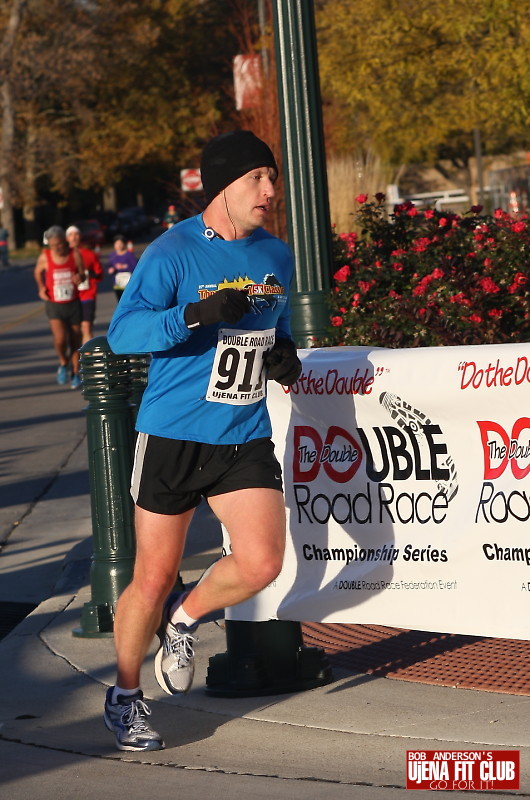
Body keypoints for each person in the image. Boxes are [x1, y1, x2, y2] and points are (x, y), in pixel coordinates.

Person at [104, 130, 302, 752]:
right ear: (222, 186)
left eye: (272, 178)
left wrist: (284, 354)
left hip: (243, 432)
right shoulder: (172, 252)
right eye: (256, 178)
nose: (269, 191)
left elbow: (277, 327)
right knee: (153, 576)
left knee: (262, 563)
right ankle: (125, 696)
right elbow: (123, 334)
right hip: (173, 434)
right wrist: (195, 315)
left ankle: (184, 619)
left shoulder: (276, 254)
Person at [33, 225, 86, 389]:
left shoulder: (74, 254)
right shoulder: (45, 256)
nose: (56, 248)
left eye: (58, 244)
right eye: (52, 245)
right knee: (60, 339)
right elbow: (37, 272)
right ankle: (63, 362)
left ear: (64, 241)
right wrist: (41, 287)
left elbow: (83, 273)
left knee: (75, 339)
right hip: (54, 304)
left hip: (73, 303)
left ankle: (75, 372)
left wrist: (80, 277)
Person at [65, 225, 104, 344]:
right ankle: (76, 354)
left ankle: (87, 354)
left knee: (86, 327)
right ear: (66, 238)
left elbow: (99, 274)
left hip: (87, 295)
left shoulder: (89, 254)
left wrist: (90, 274)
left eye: (76, 234)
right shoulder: (63, 256)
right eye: (71, 235)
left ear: (80, 236)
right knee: (74, 331)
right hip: (70, 297)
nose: (74, 237)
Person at [107, 234, 137, 303]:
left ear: (124, 244)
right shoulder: (112, 256)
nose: (119, 246)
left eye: (120, 243)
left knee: (129, 302)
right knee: (120, 302)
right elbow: (109, 267)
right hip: (117, 284)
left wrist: (125, 266)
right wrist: (111, 269)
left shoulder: (129, 255)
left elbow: (135, 267)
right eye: (117, 244)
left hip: (128, 284)